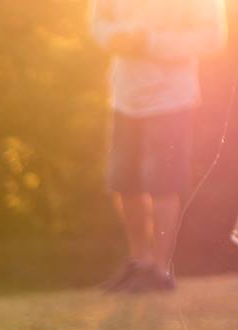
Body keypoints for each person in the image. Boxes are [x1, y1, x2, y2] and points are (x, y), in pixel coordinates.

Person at [92, 0, 227, 292]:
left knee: (164, 182)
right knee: (124, 181)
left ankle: (160, 270)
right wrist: (114, 37)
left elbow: (212, 37)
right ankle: (139, 262)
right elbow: (98, 21)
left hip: (171, 96)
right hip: (124, 94)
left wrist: (151, 42)